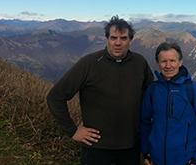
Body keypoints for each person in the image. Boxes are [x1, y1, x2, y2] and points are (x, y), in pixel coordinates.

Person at [46, 15, 154, 165]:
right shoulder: (89, 63)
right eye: (113, 37)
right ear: (107, 39)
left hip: (131, 145)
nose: (117, 43)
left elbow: (151, 97)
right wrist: (72, 131)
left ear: (131, 40)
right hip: (96, 146)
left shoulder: (139, 62)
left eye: (123, 38)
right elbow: (55, 96)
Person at [140, 42, 196, 165]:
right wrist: (146, 151)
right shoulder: (153, 90)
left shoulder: (192, 90)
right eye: (163, 61)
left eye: (172, 60)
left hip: (185, 161)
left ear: (180, 62)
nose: (168, 65)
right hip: (156, 160)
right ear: (158, 64)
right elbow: (144, 121)